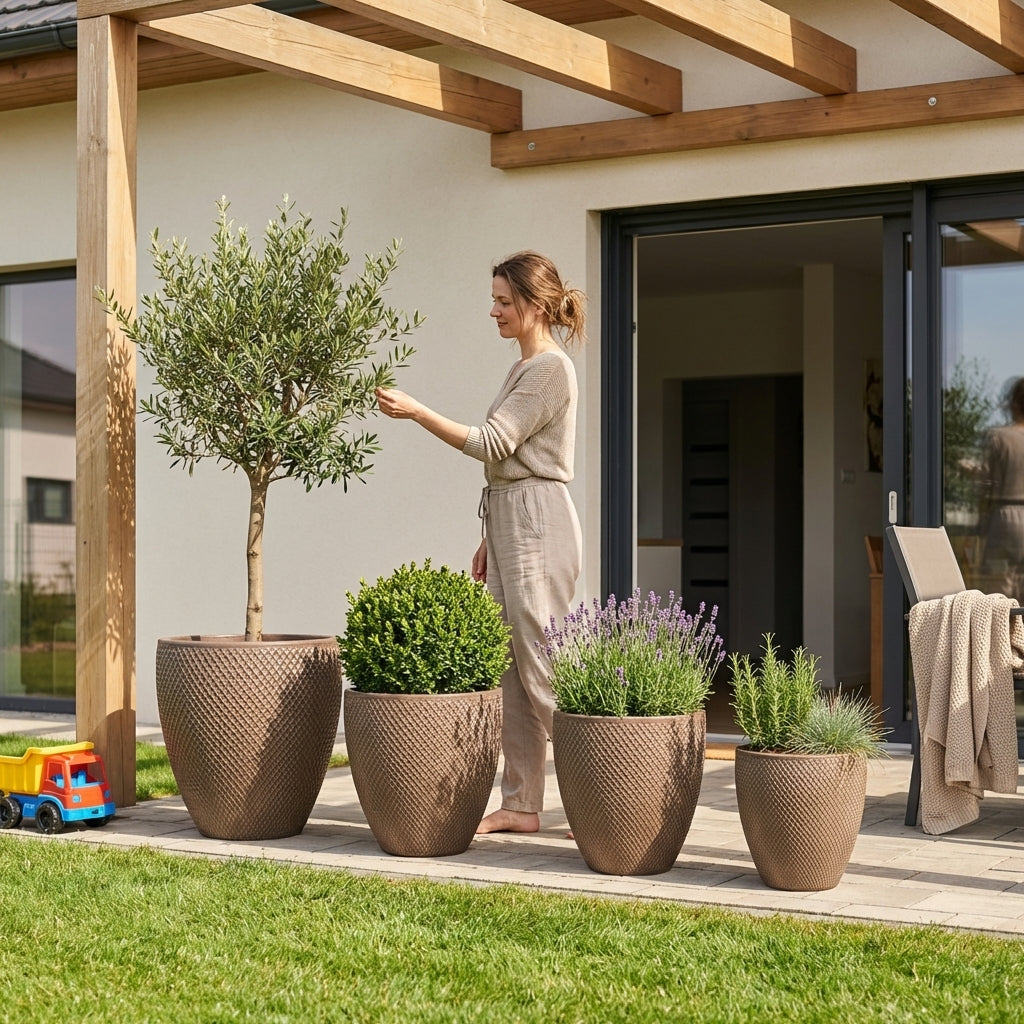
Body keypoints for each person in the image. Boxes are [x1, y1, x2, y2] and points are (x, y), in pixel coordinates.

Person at [375, 251, 586, 834]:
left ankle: (608, 787)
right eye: (493, 298)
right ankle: (522, 805)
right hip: (512, 520)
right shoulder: (524, 367)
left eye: (502, 300)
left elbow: (494, 444)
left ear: (534, 305)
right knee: (511, 671)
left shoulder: (548, 368)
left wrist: (417, 411)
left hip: (538, 520)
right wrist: (489, 537)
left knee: (543, 664)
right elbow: (507, 464)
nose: (492, 310)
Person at [980, 376, 1024, 602]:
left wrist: (981, 523)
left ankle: (1004, 635)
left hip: (1005, 516)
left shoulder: (1000, 437)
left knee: (999, 593)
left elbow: (988, 483)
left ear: (1013, 403)